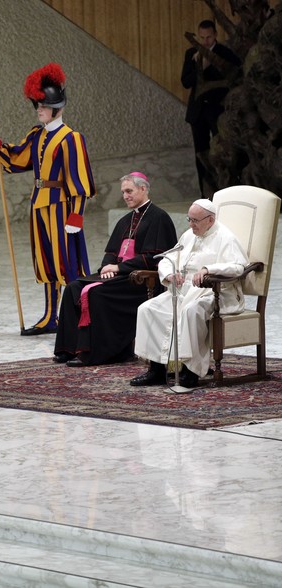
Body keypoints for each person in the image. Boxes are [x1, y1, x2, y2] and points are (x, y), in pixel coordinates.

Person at [0, 62, 96, 336]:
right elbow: (17, 159)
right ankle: (50, 317)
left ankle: (79, 316)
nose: (39, 110)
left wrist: (76, 216)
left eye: (43, 106)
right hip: (39, 204)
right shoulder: (37, 135)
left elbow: (80, 182)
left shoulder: (71, 138)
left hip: (61, 206)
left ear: (56, 108)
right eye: (38, 106)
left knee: (68, 263)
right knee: (46, 261)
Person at [53, 172, 177, 367]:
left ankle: (100, 353)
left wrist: (118, 267)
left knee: (96, 293)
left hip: (140, 281)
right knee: (73, 288)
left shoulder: (159, 218)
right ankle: (69, 349)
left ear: (143, 189)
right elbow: (111, 252)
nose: (125, 196)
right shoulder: (125, 220)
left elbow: (154, 259)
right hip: (118, 277)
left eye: (129, 191)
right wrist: (106, 268)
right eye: (123, 192)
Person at [130, 199, 248, 388]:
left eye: (195, 220)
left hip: (214, 293)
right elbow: (168, 257)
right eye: (189, 219)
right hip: (183, 291)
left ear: (210, 220)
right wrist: (169, 272)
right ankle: (157, 370)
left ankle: (190, 371)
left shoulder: (226, 238)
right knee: (148, 309)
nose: (191, 224)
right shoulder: (188, 235)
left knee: (191, 311)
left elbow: (238, 267)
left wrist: (208, 269)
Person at [181, 19, 241, 198]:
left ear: (215, 35)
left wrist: (212, 64)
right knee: (200, 154)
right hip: (198, 111)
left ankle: (225, 194)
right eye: (202, 37)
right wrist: (199, 66)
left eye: (208, 37)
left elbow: (236, 75)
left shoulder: (225, 53)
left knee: (221, 152)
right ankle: (205, 195)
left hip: (218, 111)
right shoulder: (192, 53)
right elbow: (185, 82)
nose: (205, 41)